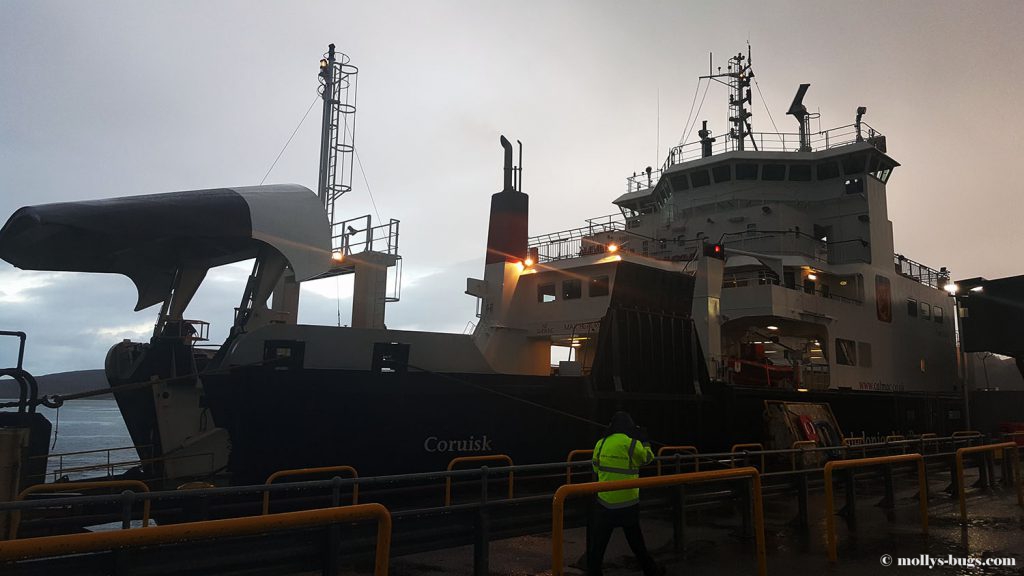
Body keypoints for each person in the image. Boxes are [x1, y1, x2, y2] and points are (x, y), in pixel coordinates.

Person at [588, 411, 663, 576]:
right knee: (637, 545)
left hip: (605, 503)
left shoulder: (600, 444)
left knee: (598, 547)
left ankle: (593, 573)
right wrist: (645, 441)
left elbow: (595, 467)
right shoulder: (632, 444)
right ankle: (651, 571)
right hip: (628, 504)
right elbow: (647, 458)